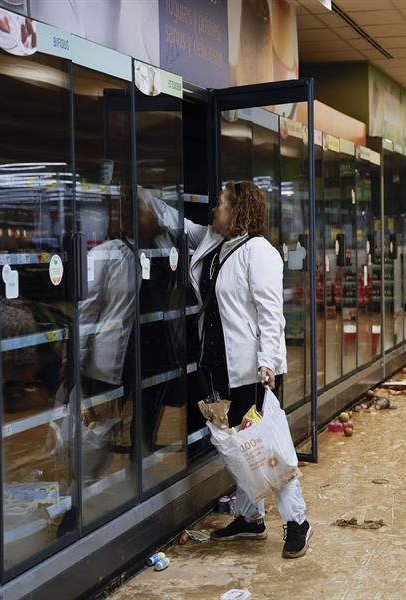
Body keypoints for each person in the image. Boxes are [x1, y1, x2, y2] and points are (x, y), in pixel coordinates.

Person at [141, 181, 311, 558]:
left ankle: (297, 521)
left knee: (266, 448)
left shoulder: (259, 252)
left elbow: (271, 314)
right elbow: (178, 222)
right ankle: (250, 519)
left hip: (250, 368)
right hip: (218, 364)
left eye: (219, 204)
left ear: (238, 211)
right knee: (236, 447)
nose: (213, 210)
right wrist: (143, 193)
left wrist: (268, 362)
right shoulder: (216, 244)